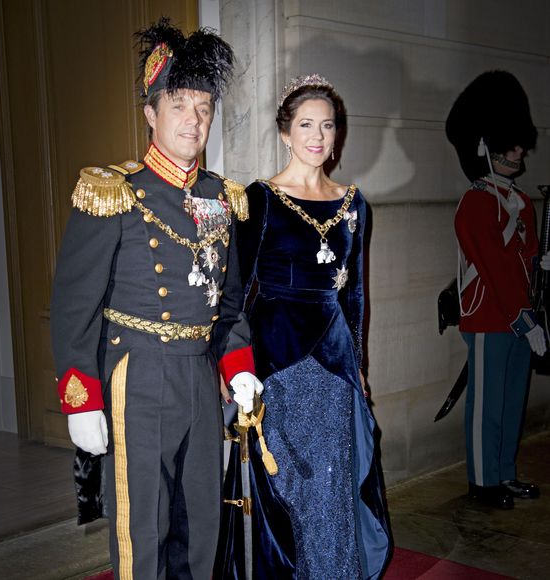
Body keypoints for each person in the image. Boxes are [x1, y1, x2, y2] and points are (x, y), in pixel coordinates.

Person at [50, 17, 263, 579]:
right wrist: (81, 400)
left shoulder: (220, 197)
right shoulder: (113, 192)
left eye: (204, 108)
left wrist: (238, 366)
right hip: (136, 375)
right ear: (151, 113)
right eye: (179, 107)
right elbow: (75, 306)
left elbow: (231, 301)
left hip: (199, 376)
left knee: (201, 526)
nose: (194, 121)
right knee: (142, 525)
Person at [233, 74, 391, 579]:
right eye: (306, 124)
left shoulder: (354, 205)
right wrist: (234, 367)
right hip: (277, 361)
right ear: (285, 133)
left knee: (333, 484)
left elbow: (356, 295)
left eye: (327, 125)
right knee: (287, 486)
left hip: (335, 364)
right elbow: (234, 293)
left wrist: (359, 367)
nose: (318, 136)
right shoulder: (259, 199)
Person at [446, 70, 550, 510]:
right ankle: (483, 481)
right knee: (487, 406)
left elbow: (523, 262)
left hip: (520, 315)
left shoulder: (520, 200)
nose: (519, 150)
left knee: (511, 404)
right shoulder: (477, 201)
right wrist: (524, 319)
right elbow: (495, 267)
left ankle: (504, 473)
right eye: (509, 141)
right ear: (486, 145)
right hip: (492, 317)